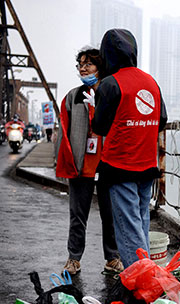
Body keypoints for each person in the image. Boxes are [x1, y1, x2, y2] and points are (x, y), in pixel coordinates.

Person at [91, 29, 167, 268]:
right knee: (141, 221)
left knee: (127, 227)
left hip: (120, 165)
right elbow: (162, 120)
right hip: (147, 165)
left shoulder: (110, 84)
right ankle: (148, 276)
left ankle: (141, 284)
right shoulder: (151, 82)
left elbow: (100, 127)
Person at [55, 46, 123, 275]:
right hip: (81, 164)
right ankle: (74, 258)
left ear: (100, 67)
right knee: (77, 215)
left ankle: (112, 258)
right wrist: (64, 163)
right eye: (80, 65)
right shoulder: (72, 97)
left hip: (107, 165)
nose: (83, 69)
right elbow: (63, 133)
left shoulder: (110, 92)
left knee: (110, 215)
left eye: (89, 64)